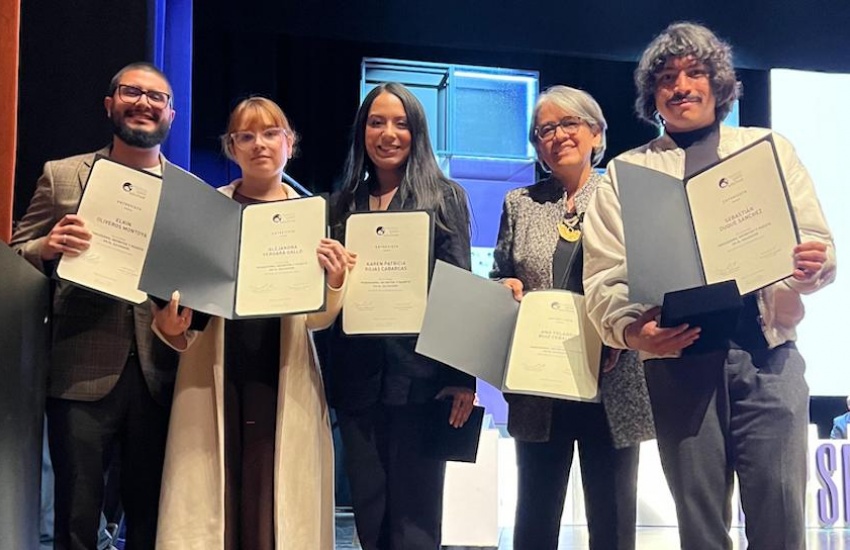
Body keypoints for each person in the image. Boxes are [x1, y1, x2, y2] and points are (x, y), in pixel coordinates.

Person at [582, 22, 836, 550]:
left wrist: (816, 264)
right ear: (652, 96)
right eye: (667, 78)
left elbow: (815, 242)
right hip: (679, 362)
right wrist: (632, 334)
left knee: (782, 515)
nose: (681, 86)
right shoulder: (627, 174)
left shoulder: (768, 150)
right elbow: (604, 278)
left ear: (719, 84)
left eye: (696, 73)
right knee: (700, 527)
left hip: (768, 356)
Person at [151, 97, 353, 550]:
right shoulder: (206, 211)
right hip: (216, 373)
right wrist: (169, 326)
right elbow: (180, 310)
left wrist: (336, 281)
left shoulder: (312, 217)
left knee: (272, 505)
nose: (258, 144)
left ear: (289, 142)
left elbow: (317, 320)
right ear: (231, 147)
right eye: (246, 135)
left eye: (269, 133)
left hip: (282, 375)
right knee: (214, 501)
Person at [11, 61, 179, 550]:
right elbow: (17, 255)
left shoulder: (188, 194)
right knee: (76, 517)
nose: (143, 103)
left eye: (156, 97)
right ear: (110, 104)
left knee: (151, 519)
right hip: (79, 370)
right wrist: (46, 246)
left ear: (171, 114)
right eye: (131, 92)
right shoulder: (62, 176)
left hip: (160, 374)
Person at [491, 85, 654, 550]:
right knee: (535, 518)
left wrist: (620, 335)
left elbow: (646, 277)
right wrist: (506, 286)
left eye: (570, 124)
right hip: (540, 382)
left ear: (596, 133)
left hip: (613, 379)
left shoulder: (623, 195)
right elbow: (502, 271)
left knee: (614, 520)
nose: (558, 135)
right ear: (537, 146)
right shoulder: (520, 203)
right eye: (546, 129)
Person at [327, 82, 476, 550]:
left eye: (401, 123)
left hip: (424, 382)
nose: (388, 134)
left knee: (416, 519)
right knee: (370, 516)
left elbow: (460, 289)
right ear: (362, 132)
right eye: (376, 122)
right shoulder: (341, 203)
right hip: (357, 382)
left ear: (417, 132)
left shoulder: (444, 197)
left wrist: (462, 379)